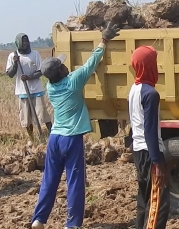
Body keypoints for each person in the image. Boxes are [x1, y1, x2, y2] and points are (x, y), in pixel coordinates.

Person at [30, 23, 120, 229]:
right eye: (62, 65)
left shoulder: (51, 87)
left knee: (49, 180)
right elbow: (91, 63)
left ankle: (39, 219)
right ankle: (72, 224)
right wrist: (104, 40)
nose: (65, 65)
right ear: (61, 71)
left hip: (55, 139)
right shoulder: (73, 82)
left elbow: (80, 69)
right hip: (71, 139)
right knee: (75, 182)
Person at [128, 45, 170, 229]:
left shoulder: (134, 89)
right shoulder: (151, 94)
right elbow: (150, 130)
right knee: (158, 205)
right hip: (149, 152)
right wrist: (158, 162)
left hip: (139, 151)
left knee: (144, 202)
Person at [5, 33, 53, 141]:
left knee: (43, 115)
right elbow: (10, 74)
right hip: (22, 91)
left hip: (36, 90)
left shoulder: (35, 54)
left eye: (27, 41)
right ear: (18, 43)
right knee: (26, 119)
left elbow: (41, 71)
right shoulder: (12, 56)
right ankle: (32, 138)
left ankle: (51, 134)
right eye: (23, 41)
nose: (26, 43)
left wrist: (30, 77)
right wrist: (15, 63)